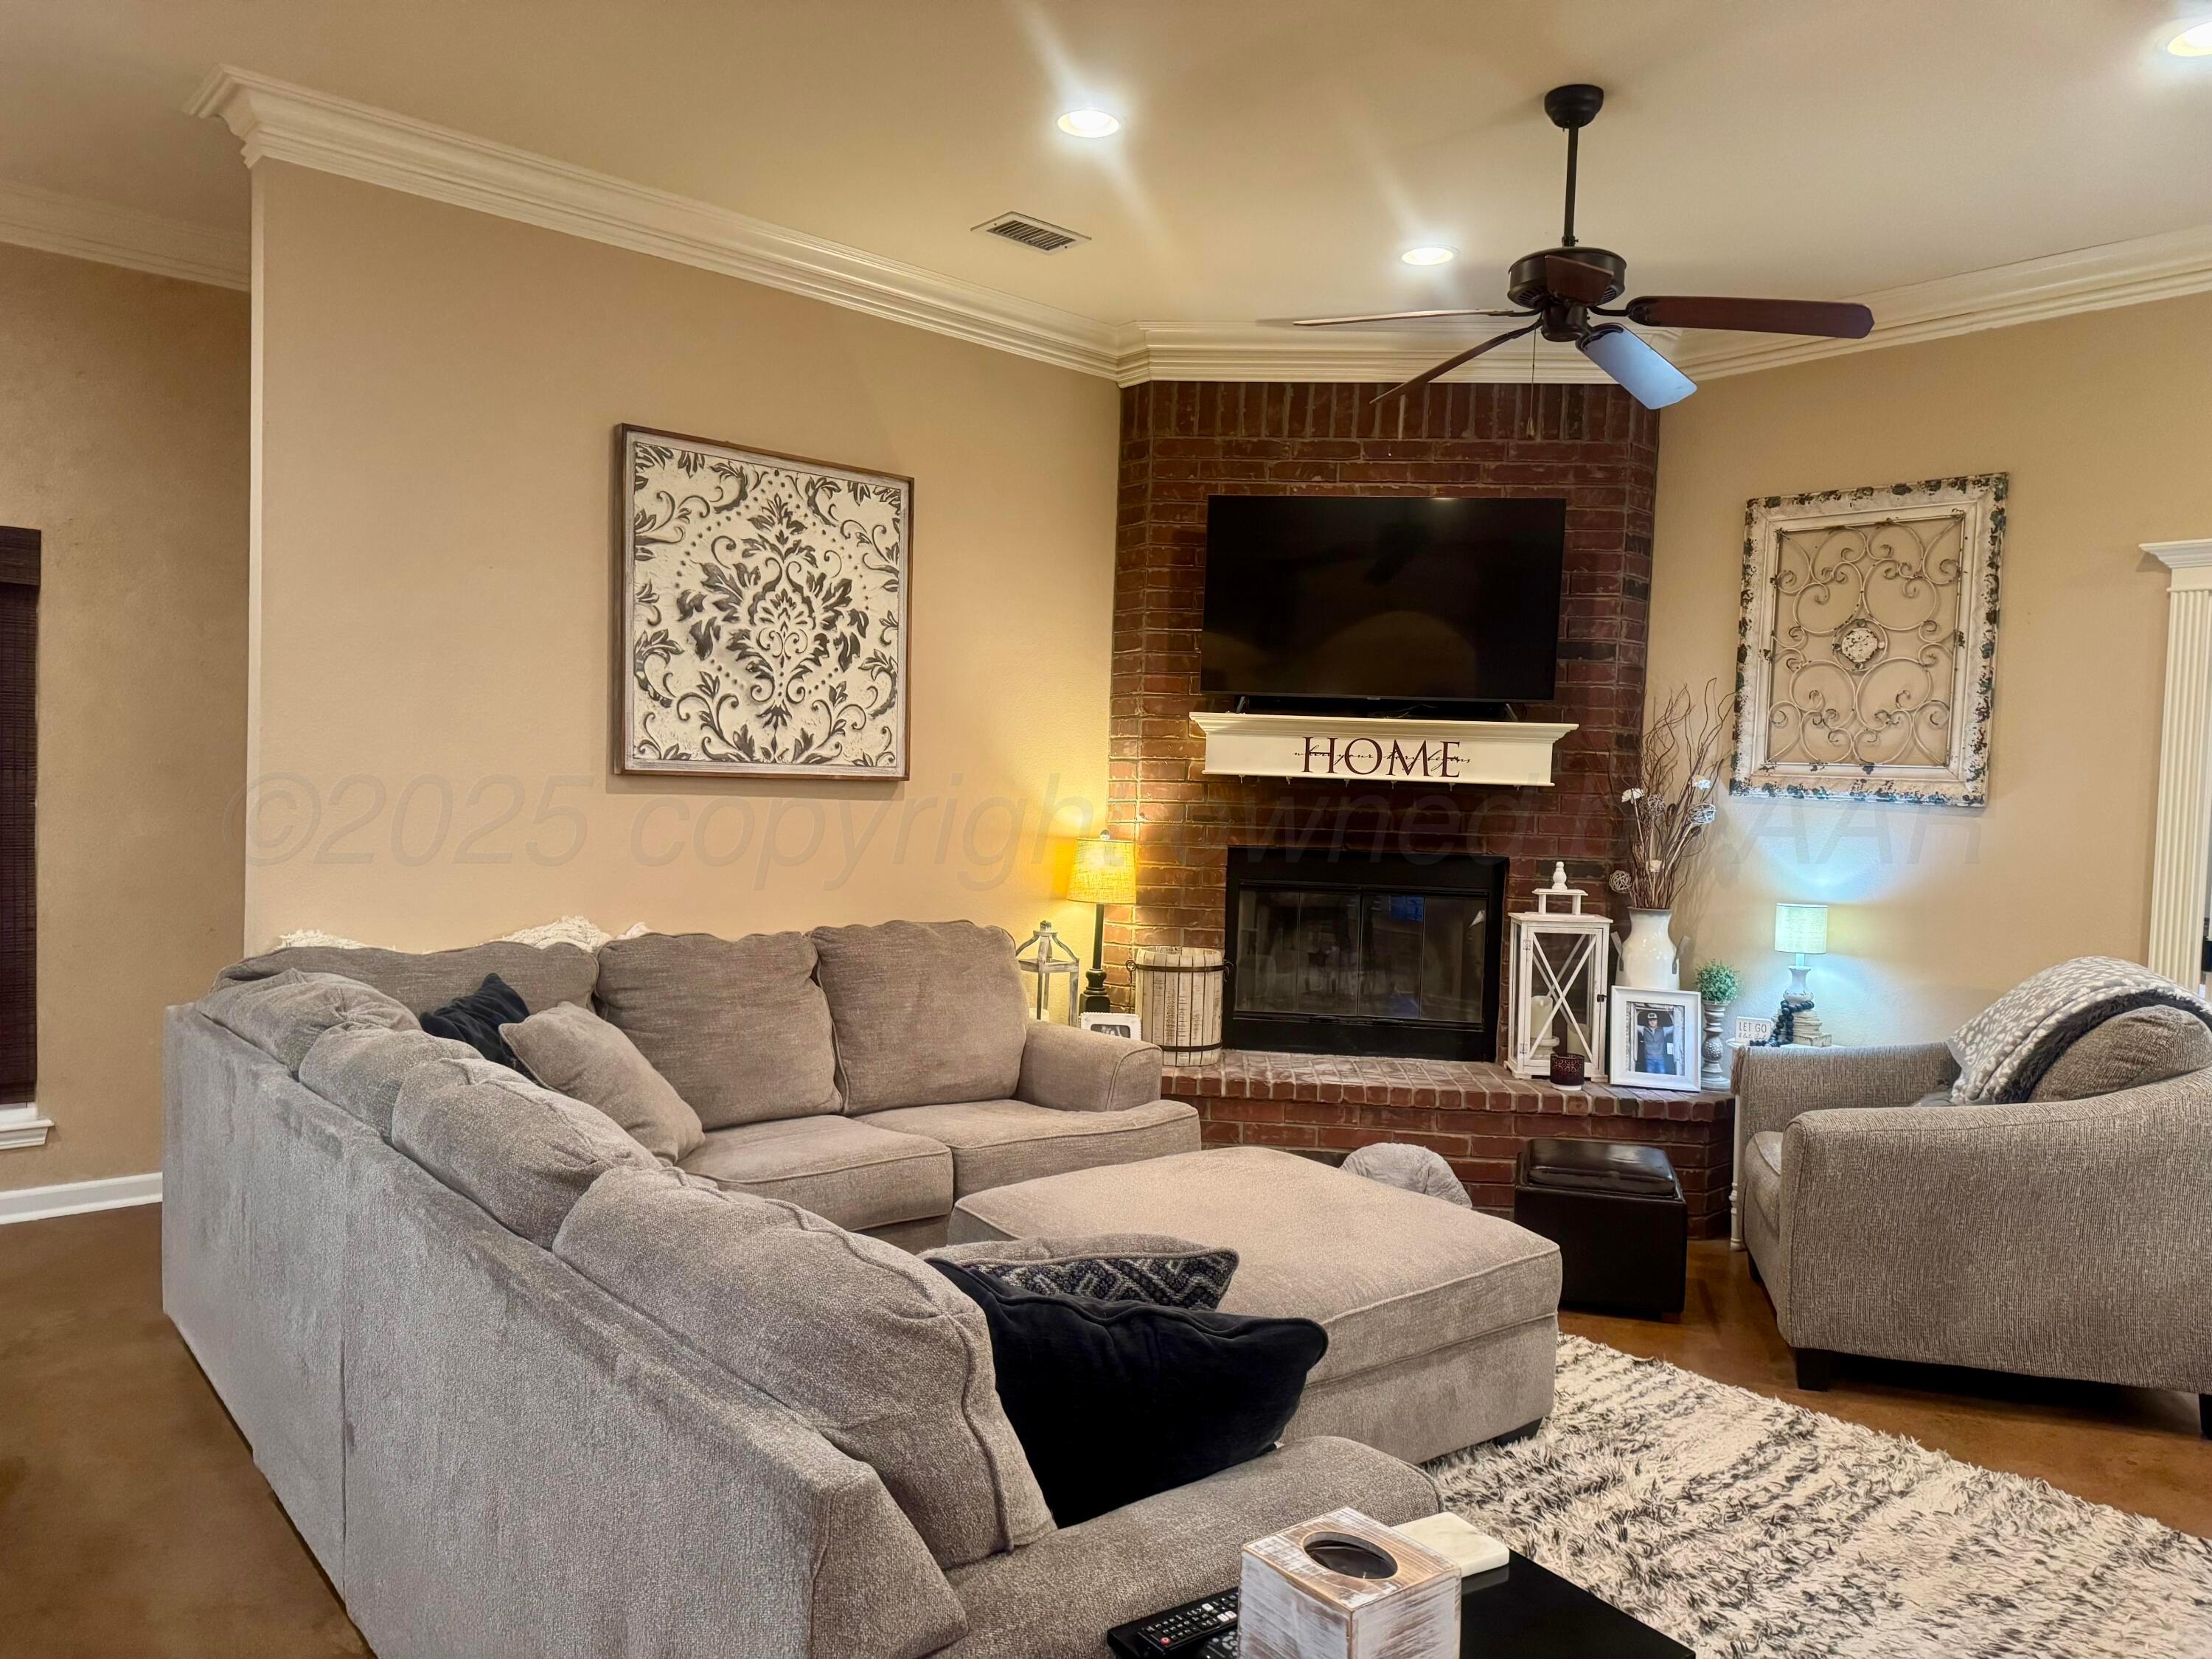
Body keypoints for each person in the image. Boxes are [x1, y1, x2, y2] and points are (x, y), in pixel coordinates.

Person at [1635, 1006, 1679, 1075]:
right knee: (1650, 1076)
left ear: (1657, 1020)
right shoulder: (1643, 1029)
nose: (1652, 1022)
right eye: (1650, 1020)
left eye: (1654, 1020)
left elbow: (1676, 1027)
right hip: (1649, 1059)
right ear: (1648, 1021)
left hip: (1660, 1058)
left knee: (1662, 1075)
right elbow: (1633, 1024)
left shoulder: (1663, 1030)